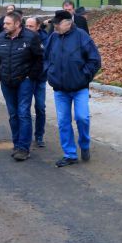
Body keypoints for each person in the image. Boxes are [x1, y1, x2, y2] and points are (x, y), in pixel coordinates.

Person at [43, 9, 101, 167]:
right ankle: (70, 154)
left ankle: (84, 144)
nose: (55, 26)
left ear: (68, 23)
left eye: (57, 24)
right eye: (54, 23)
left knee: (82, 118)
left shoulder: (82, 36)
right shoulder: (53, 37)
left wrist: (84, 76)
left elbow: (95, 60)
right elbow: (45, 57)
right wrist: (49, 72)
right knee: (63, 122)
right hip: (60, 89)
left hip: (79, 88)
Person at [0, 12, 43, 161]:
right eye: (4, 23)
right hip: (6, 81)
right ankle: (16, 144)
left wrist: (30, 77)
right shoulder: (1, 37)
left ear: (17, 24)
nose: (4, 26)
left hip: (24, 81)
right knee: (13, 114)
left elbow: (39, 58)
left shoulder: (31, 37)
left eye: (8, 23)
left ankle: (23, 148)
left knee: (23, 112)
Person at [25, 16, 49, 148]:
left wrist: (42, 71)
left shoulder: (45, 39)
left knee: (40, 107)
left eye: (31, 26)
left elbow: (47, 58)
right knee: (24, 108)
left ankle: (39, 135)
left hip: (40, 78)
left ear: (38, 27)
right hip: (26, 79)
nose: (28, 29)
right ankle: (25, 136)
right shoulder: (22, 37)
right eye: (26, 26)